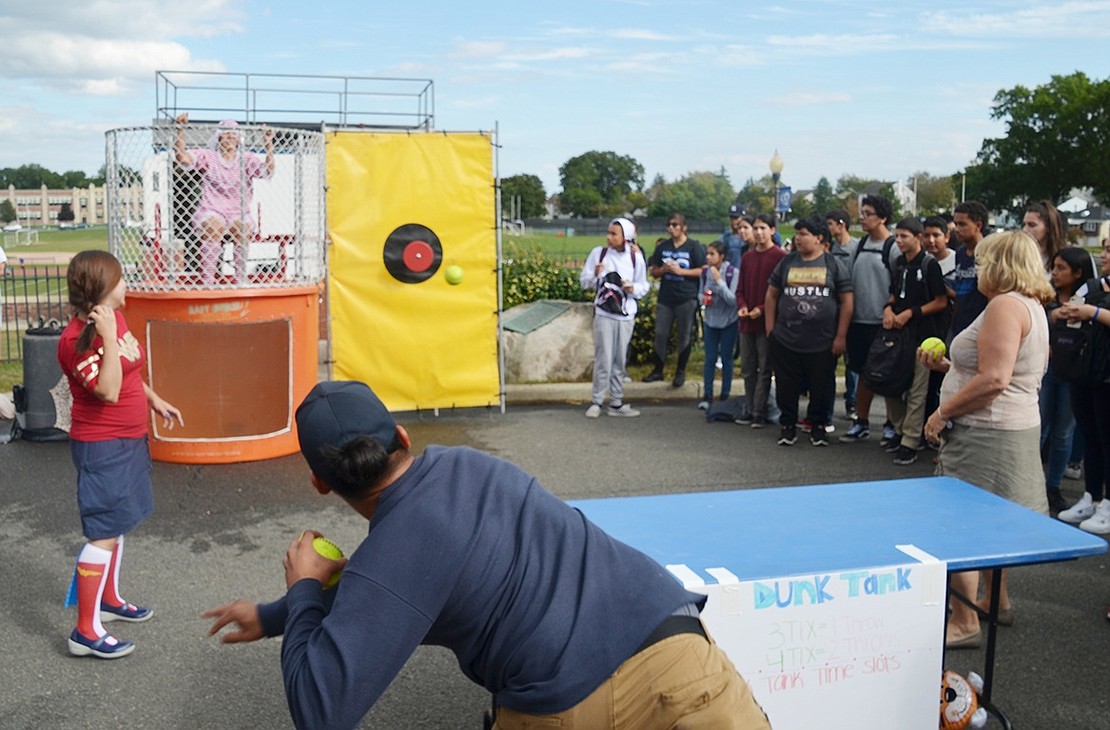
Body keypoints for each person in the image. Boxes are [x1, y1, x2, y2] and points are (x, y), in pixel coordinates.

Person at [203, 381, 771, 730]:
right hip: (681, 654)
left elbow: (321, 711)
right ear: (401, 436)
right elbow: (395, 590)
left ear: (320, 483)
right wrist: (275, 615)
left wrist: (302, 592)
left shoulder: (391, 562)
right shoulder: (468, 465)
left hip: (569, 705)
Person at [920, 230, 1052, 649]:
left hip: (986, 434)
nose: (975, 269)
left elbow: (995, 379)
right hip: (1011, 427)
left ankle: (963, 621)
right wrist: (948, 367)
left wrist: (942, 413)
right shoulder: (1031, 304)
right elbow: (1003, 372)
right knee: (997, 523)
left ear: (1000, 265)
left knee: (960, 527)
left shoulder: (1003, 306)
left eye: (982, 261)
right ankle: (996, 601)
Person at [57, 250, 184, 659]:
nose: (127, 284)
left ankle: (108, 601)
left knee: (119, 525)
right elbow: (109, 390)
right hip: (102, 447)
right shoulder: (73, 341)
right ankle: (84, 631)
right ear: (102, 290)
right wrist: (108, 337)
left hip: (130, 439)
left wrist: (154, 400)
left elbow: (130, 371)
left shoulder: (117, 320)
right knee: (103, 533)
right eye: (121, 278)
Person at [764, 217, 853, 447]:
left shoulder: (832, 264)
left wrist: (840, 336)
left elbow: (847, 301)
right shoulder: (787, 262)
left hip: (822, 342)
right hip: (786, 340)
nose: (797, 238)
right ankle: (788, 426)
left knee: (821, 387)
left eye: (803, 234)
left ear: (819, 238)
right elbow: (772, 295)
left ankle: (818, 427)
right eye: (797, 234)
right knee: (786, 385)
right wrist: (770, 331)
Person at [174, 112, 275, 284]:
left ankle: (241, 279)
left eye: (233, 134)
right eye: (225, 133)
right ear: (218, 138)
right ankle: (208, 281)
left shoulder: (246, 159)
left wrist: (268, 145)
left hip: (237, 211)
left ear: (238, 139)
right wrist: (180, 130)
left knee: (242, 227)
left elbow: (268, 171)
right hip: (212, 209)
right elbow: (182, 159)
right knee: (213, 225)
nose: (229, 137)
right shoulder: (209, 156)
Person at [880, 217, 948, 466]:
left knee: (918, 391)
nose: (899, 241)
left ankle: (910, 440)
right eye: (896, 236)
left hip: (923, 335)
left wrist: (912, 312)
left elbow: (941, 301)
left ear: (918, 238)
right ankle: (899, 430)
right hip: (898, 336)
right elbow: (893, 293)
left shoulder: (929, 265)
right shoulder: (898, 263)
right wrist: (888, 309)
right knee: (890, 383)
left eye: (904, 236)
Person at [1055, 237, 1110, 532]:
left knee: (1107, 439)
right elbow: (1069, 305)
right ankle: (1093, 497)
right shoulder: (1093, 286)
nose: (1104, 256)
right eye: (1105, 249)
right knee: (1090, 435)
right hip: (1086, 370)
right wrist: (1067, 312)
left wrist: (1095, 313)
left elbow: (1091, 313)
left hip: (1107, 375)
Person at [838, 195, 899, 445]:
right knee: (863, 372)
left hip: (883, 322)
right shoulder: (859, 246)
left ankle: (890, 424)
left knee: (886, 374)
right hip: (859, 321)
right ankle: (861, 422)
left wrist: (890, 310)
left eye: (868, 213)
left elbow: (898, 284)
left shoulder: (893, 247)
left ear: (882, 218)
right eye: (861, 213)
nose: (862, 218)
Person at [578, 217, 649, 418]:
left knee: (619, 359)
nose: (609, 237)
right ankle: (597, 401)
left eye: (614, 234)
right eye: (608, 233)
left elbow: (644, 285)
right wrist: (594, 274)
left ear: (625, 237)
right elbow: (585, 282)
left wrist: (632, 288)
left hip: (626, 316)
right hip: (604, 314)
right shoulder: (598, 254)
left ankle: (616, 402)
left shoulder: (636, 258)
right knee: (603, 358)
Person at [1043, 248, 1095, 515]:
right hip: (1047, 369)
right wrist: (1054, 316)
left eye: (1062, 268)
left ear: (1078, 272)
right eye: (1054, 266)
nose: (1055, 272)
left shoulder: (1091, 298)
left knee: (1063, 432)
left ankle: (1053, 487)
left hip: (1075, 372)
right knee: (1039, 428)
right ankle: (1032, 483)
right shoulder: (1044, 295)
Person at [644, 214, 706, 387]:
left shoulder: (694, 247)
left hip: (686, 298)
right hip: (666, 298)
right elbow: (653, 272)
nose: (671, 228)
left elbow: (703, 270)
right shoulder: (663, 247)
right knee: (661, 333)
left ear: (684, 227)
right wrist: (664, 269)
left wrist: (682, 272)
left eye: (675, 225)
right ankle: (658, 370)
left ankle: (680, 372)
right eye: (668, 225)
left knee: (684, 336)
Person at [736, 213, 786, 427]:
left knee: (765, 368)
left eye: (762, 228)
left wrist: (762, 309)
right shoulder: (747, 257)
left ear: (772, 231)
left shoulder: (780, 256)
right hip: (747, 321)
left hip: (767, 322)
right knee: (748, 367)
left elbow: (782, 292)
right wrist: (743, 306)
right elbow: (740, 289)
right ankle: (749, 408)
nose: (758, 232)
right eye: (755, 228)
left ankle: (759, 411)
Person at [825, 208, 859, 420]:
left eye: (830, 224)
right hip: (832, 310)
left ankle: (853, 402)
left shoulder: (856, 247)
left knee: (852, 361)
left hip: (851, 308)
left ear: (841, 224)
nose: (829, 228)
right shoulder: (831, 248)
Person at [699, 240, 739, 410]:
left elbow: (733, 300)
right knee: (710, 358)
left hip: (729, 321)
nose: (708, 257)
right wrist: (702, 298)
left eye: (712, 254)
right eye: (707, 254)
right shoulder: (704, 272)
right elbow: (700, 292)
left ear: (722, 256)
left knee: (727, 358)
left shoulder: (732, 272)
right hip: (710, 320)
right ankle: (707, 395)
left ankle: (725, 395)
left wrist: (720, 282)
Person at [1023, 200, 1067, 273]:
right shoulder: (1020, 256)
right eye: (1024, 224)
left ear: (1048, 227)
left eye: (1032, 225)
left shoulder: (1064, 258)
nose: (1025, 230)